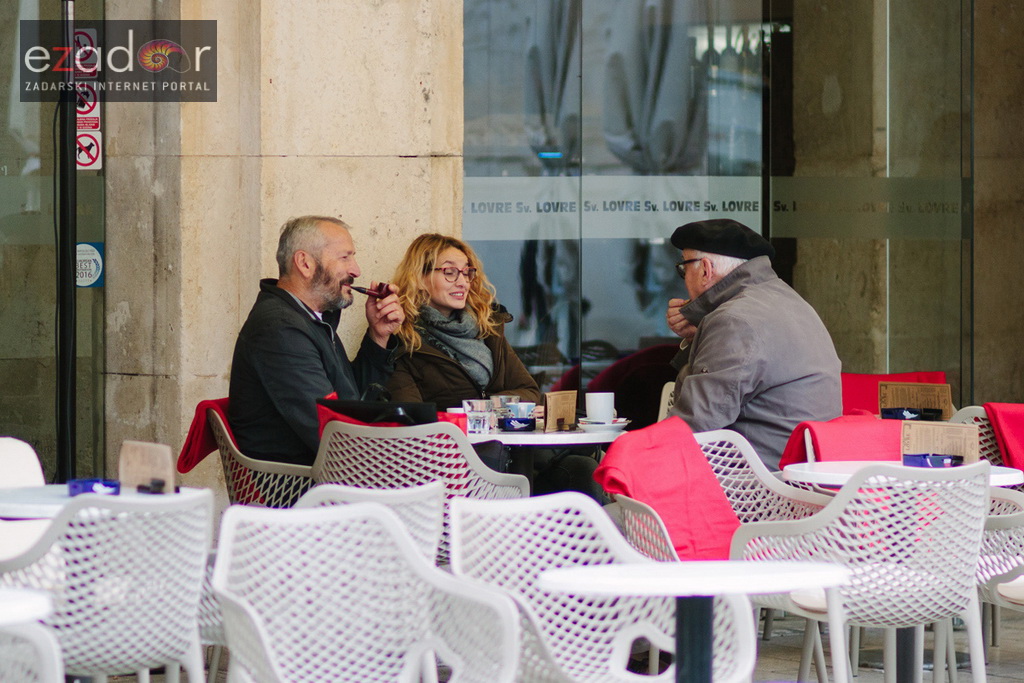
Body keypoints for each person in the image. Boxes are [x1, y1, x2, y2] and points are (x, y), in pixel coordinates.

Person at [386, 233, 602, 499]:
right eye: (450, 273)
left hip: (514, 455)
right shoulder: (402, 337)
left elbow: (527, 390)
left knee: (583, 469)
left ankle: (584, 542)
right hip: (453, 468)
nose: (463, 282)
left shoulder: (487, 327)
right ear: (419, 277)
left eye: (467, 273)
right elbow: (414, 419)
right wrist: (480, 414)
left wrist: (489, 409)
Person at [665, 218, 841, 469]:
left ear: (705, 269)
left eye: (684, 269)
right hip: (803, 474)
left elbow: (696, 424)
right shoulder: (786, 300)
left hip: (754, 486)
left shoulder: (733, 321)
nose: (684, 278)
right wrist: (699, 333)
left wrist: (630, 454)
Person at [228, 215, 404, 466]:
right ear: (305, 263)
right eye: (345, 257)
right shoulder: (281, 329)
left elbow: (355, 401)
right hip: (298, 490)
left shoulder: (311, 319)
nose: (356, 270)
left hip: (327, 480)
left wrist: (378, 335)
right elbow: (334, 436)